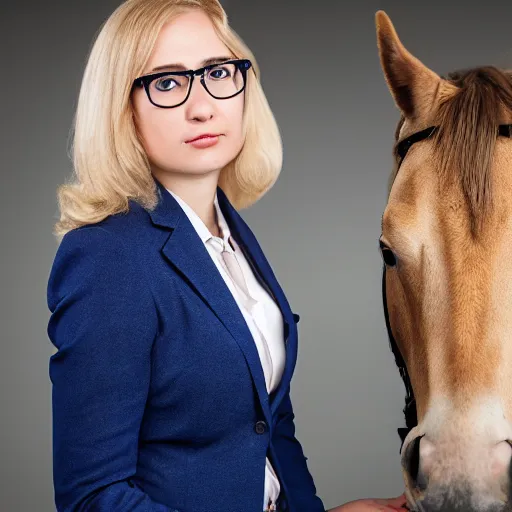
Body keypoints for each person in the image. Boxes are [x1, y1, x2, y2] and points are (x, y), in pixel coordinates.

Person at [46, 1, 408, 511]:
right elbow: (92, 498)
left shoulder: (230, 236)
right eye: (167, 83)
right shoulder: (107, 257)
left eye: (217, 72)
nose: (203, 106)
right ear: (120, 106)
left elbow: (266, 427)